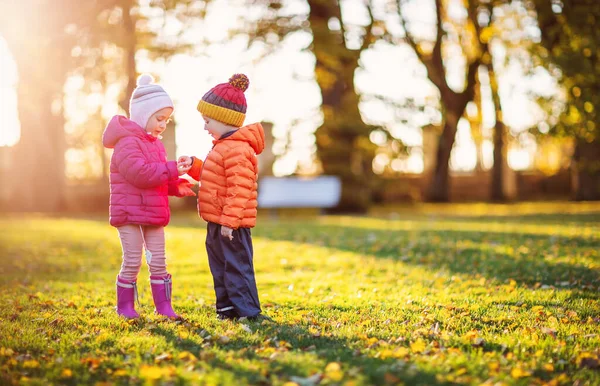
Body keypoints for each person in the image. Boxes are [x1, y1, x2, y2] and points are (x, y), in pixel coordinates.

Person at [102, 74, 194, 319]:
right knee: (132, 261)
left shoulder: (155, 144)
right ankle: (125, 307)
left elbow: (156, 177)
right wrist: (173, 168)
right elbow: (141, 174)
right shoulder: (126, 143)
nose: (163, 124)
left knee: (159, 262)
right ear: (143, 115)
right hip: (129, 214)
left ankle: (164, 307)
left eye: (167, 119)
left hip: (152, 211)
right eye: (159, 118)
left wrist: (176, 185)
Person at [179, 73, 270, 321]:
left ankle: (248, 312)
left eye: (207, 120)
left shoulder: (238, 149)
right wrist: (195, 165)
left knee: (237, 268)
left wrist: (230, 222)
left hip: (232, 224)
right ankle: (227, 309)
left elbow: (239, 189)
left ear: (223, 118)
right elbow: (215, 177)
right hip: (217, 221)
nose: (204, 126)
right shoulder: (222, 146)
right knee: (219, 266)